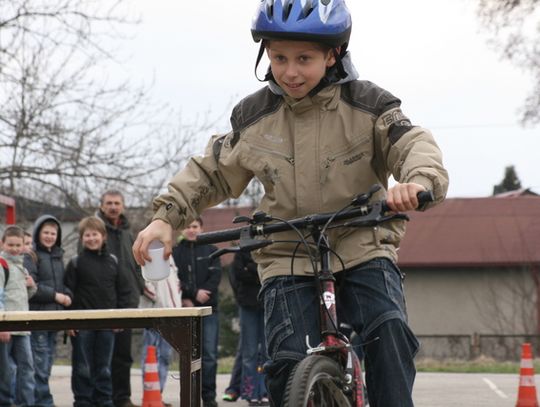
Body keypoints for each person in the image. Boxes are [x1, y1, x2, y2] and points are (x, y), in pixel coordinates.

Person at [132, 1, 449, 405]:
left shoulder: (369, 104)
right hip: (286, 253)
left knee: (388, 332)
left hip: (361, 245)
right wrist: (165, 218)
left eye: (304, 58)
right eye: (278, 57)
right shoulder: (253, 116)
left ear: (333, 54)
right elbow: (210, 171)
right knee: (285, 363)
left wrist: (417, 181)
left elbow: (412, 144)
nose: (290, 71)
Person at [64, 216, 132, 407]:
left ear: (103, 237)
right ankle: (83, 401)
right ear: (81, 238)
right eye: (87, 235)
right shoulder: (75, 263)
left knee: (104, 368)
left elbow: (123, 292)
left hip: (107, 324)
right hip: (81, 325)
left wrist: (120, 318)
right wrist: (69, 323)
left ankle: (104, 400)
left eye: (95, 234)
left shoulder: (113, 262)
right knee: (82, 367)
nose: (91, 238)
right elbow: (68, 293)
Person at [97, 190, 144, 407]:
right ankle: (103, 398)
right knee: (103, 355)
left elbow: (135, 263)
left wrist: (141, 286)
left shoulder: (127, 232)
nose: (113, 207)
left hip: (128, 302)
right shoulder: (95, 231)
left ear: (123, 206)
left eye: (117, 203)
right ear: (102, 206)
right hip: (105, 303)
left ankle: (123, 398)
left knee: (124, 355)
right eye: (109, 203)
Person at [171, 218, 222, 407]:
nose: (191, 230)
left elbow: (216, 276)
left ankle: (208, 397)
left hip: (210, 310)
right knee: (189, 355)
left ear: (201, 228)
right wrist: (190, 294)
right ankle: (190, 396)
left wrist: (203, 293)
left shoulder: (212, 250)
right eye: (187, 226)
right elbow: (174, 278)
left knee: (209, 355)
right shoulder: (175, 253)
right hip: (185, 310)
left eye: (195, 226)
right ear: (182, 229)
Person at [29, 215, 72, 407]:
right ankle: (44, 402)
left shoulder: (57, 257)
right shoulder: (31, 256)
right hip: (38, 318)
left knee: (46, 365)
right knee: (39, 365)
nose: (49, 236)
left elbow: (62, 285)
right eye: (45, 232)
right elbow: (31, 287)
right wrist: (56, 296)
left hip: (54, 319)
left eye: (53, 233)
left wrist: (67, 294)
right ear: (38, 233)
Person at [0, 225, 37, 407]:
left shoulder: (22, 267)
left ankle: (26, 403)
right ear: (2, 244)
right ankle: (5, 402)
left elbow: (23, 296)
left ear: (24, 245)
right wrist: (2, 325)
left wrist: (31, 286)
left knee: (27, 368)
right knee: (6, 370)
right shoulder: (2, 265)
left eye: (18, 245)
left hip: (23, 327)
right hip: (6, 326)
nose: (14, 249)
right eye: (11, 245)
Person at [139, 257, 181, 407]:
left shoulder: (169, 256)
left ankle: (158, 394)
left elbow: (175, 281)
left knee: (165, 356)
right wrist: (157, 300)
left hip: (171, 315)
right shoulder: (146, 252)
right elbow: (144, 282)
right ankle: (149, 393)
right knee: (151, 357)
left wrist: (176, 304)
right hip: (154, 315)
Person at [231, 251, 268, 406]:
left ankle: (266, 392)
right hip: (247, 305)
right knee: (249, 353)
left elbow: (266, 272)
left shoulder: (267, 247)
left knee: (268, 352)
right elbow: (238, 273)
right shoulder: (241, 253)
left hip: (266, 303)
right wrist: (257, 270)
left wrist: (250, 268)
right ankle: (250, 392)